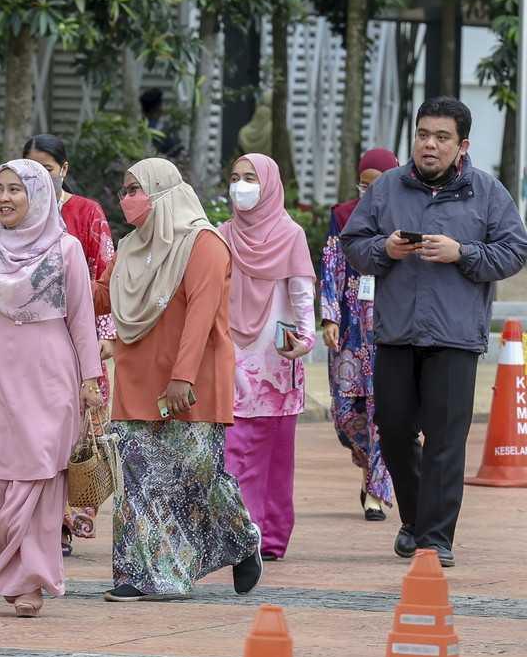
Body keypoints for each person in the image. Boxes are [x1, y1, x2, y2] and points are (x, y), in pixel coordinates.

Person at [343, 96, 527, 567]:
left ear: (461, 145)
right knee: (396, 432)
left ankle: (435, 538)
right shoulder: (386, 189)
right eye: (424, 134)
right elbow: (354, 246)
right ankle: (415, 518)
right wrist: (384, 248)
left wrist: (462, 253)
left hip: (455, 337)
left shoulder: (487, 192)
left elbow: (514, 251)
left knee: (446, 440)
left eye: (442, 137)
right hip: (397, 333)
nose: (430, 144)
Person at [0, 158, 103, 618]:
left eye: (15, 190)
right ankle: (13, 566)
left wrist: (91, 380)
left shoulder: (65, 249)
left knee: (40, 476)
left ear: (39, 196)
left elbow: (82, 320)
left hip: (49, 372)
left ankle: (31, 578)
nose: (4, 198)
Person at [95, 157, 262, 601]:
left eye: (135, 189)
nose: (126, 198)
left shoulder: (203, 244)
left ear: (163, 192)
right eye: (125, 190)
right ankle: (137, 575)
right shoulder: (130, 247)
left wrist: (182, 377)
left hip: (193, 378)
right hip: (136, 375)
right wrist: (57, 274)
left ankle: (243, 539)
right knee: (138, 481)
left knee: (197, 475)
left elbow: (202, 317)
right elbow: (102, 296)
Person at [22, 133, 116, 554]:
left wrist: (107, 334)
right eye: (32, 167)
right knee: (34, 429)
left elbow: (108, 271)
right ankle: (40, 520)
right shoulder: (16, 211)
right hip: (29, 339)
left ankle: (69, 519)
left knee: (77, 430)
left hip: (80, 337)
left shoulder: (85, 211)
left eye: (48, 167)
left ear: (64, 169)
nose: (41, 175)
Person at [220, 153, 316, 562]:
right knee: (237, 447)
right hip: (234, 353)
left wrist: (307, 338)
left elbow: (300, 294)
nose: (240, 186)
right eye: (235, 177)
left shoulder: (290, 234)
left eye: (250, 178)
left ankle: (273, 536)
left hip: (278, 356)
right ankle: (245, 534)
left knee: (277, 454)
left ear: (270, 185)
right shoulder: (221, 234)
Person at [320, 147, 399, 521]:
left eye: (379, 185)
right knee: (348, 414)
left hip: (390, 327)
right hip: (351, 329)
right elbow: (332, 263)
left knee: (381, 412)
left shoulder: (405, 217)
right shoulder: (343, 215)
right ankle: (369, 465)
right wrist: (330, 317)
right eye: (364, 185)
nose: (371, 193)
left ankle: (376, 489)